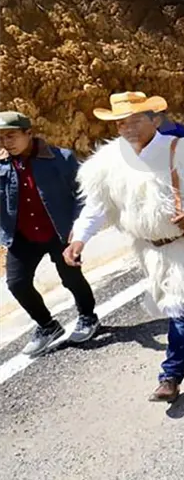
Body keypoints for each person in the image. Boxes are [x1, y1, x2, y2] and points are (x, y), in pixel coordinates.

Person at [65, 92, 184, 403]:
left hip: (181, 243)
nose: (127, 127)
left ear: (155, 120)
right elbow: (97, 206)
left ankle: (170, 376)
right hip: (147, 248)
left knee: (179, 305)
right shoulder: (107, 162)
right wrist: (80, 238)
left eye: (135, 120)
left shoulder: (183, 152)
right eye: (120, 122)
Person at [1, 111, 99, 356]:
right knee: (17, 283)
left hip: (60, 232)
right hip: (23, 236)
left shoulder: (61, 158)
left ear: (29, 133)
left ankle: (88, 316)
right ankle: (47, 326)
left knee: (71, 278)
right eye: (1, 138)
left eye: (11, 136)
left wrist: (77, 227)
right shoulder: (2, 165)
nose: (6, 142)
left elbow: (82, 194)